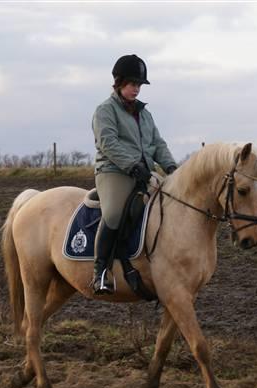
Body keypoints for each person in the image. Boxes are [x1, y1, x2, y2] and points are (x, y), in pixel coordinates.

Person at [91, 54, 178, 294]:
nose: (136, 89)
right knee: (115, 213)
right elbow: (108, 143)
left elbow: (158, 144)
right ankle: (100, 272)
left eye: (139, 85)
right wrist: (132, 165)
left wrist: (171, 167)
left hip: (143, 173)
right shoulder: (105, 110)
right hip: (114, 172)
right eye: (132, 84)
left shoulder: (145, 115)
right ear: (119, 83)